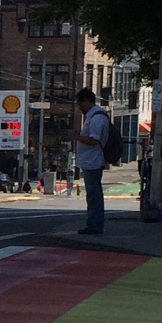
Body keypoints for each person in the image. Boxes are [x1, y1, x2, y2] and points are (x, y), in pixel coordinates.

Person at [73, 87, 111, 235]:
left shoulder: (96, 117)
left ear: (87, 101)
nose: (79, 107)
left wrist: (77, 136)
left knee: (94, 195)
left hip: (93, 160)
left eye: (80, 104)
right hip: (90, 160)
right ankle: (93, 224)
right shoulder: (94, 115)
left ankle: (94, 225)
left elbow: (94, 140)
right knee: (93, 194)